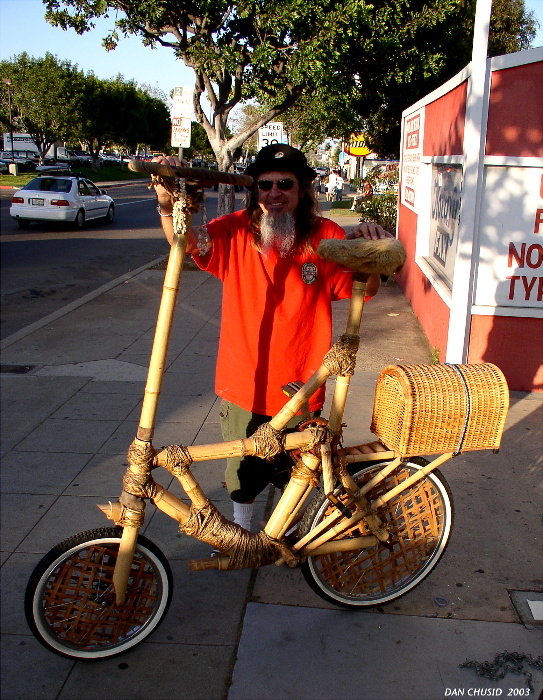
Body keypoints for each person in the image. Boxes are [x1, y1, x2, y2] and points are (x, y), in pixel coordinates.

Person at [153, 144, 392, 533]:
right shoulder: (232, 231)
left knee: (297, 472)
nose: (274, 193)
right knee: (243, 472)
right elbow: (186, 242)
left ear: (302, 192)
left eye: (286, 184)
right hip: (243, 382)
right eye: (265, 185)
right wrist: (168, 206)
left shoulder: (326, 236)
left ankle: (287, 535)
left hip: (301, 384)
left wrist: (372, 253)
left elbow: (365, 288)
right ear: (255, 190)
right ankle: (242, 533)